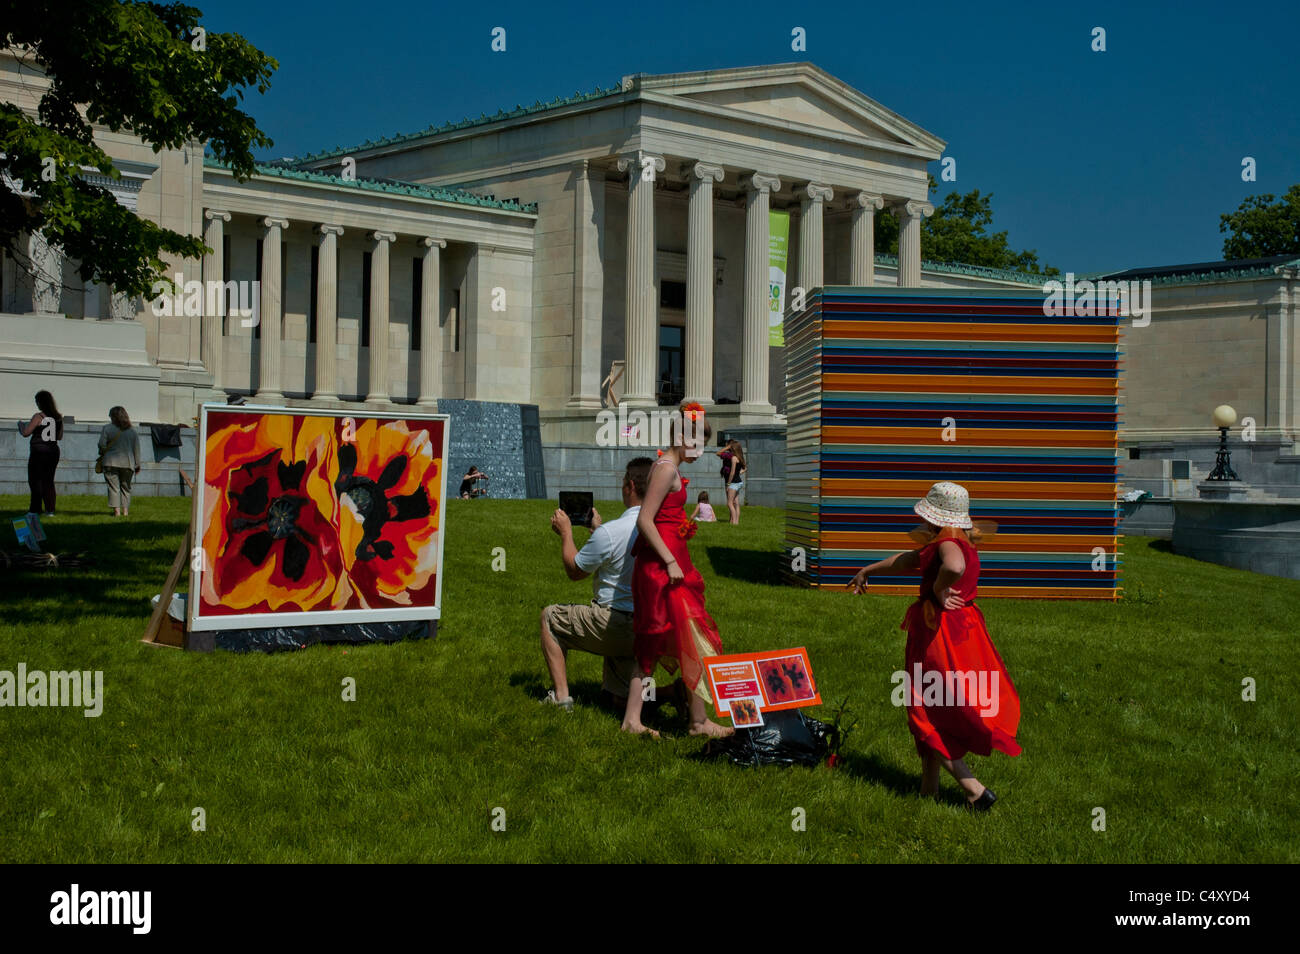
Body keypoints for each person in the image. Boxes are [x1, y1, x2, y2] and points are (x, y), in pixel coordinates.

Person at [848, 481, 1021, 810]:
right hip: (963, 632)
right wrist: (867, 570)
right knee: (938, 706)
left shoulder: (948, 542)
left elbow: (952, 566)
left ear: (936, 517)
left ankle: (974, 789)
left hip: (938, 633)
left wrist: (940, 590)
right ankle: (929, 791)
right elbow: (908, 560)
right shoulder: (959, 539)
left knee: (923, 710)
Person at [622, 402, 732, 738]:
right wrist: (670, 560)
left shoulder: (667, 466)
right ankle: (682, 722)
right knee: (680, 637)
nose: (701, 452)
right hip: (663, 570)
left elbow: (659, 517)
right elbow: (644, 518)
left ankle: (687, 720)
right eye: (698, 442)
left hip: (668, 566)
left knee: (682, 638)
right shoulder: (667, 469)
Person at [541, 459, 654, 713]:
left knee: (549, 617)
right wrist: (597, 530)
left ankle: (561, 698)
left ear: (631, 486)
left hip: (615, 625)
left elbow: (575, 570)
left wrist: (566, 533)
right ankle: (673, 693)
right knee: (614, 702)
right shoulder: (659, 528)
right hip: (647, 629)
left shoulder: (612, 532)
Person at [19, 390, 63, 516]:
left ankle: (35, 509)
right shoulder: (58, 417)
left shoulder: (39, 416)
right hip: (53, 450)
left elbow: (26, 433)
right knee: (48, 481)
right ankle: (50, 509)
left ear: (40, 402)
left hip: (39, 451)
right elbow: (59, 436)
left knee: (35, 480)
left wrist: (21, 425)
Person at [98, 406, 142, 517]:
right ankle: (125, 512)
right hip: (128, 463)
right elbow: (136, 449)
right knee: (126, 488)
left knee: (114, 488)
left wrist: (103, 452)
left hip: (110, 462)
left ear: (113, 417)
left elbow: (101, 445)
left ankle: (117, 512)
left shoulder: (107, 428)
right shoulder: (132, 431)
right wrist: (137, 464)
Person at [716, 439, 746, 524]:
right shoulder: (740, 457)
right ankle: (735, 521)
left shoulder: (733, 458)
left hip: (733, 483)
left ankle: (734, 523)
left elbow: (732, 473)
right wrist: (739, 473)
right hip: (739, 482)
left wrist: (728, 484)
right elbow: (744, 468)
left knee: (729, 503)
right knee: (736, 502)